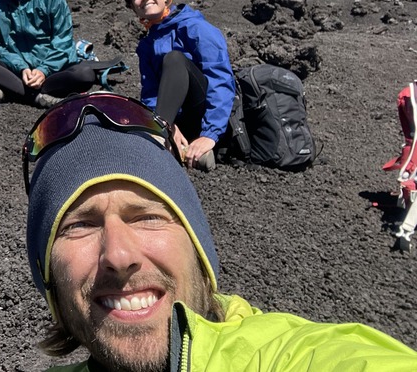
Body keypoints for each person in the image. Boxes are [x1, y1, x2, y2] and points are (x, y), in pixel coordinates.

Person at [23, 92, 417, 371]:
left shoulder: (285, 357)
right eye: (80, 225)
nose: (119, 255)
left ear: (198, 246)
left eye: (147, 217)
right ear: (47, 275)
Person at [121, 0, 236, 172]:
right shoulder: (147, 44)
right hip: (179, 121)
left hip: (208, 116)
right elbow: (151, 93)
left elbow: (220, 79)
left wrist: (210, 134)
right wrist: (172, 126)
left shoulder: (194, 27)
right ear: (133, 7)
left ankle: (159, 138)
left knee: (175, 60)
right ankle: (169, 138)